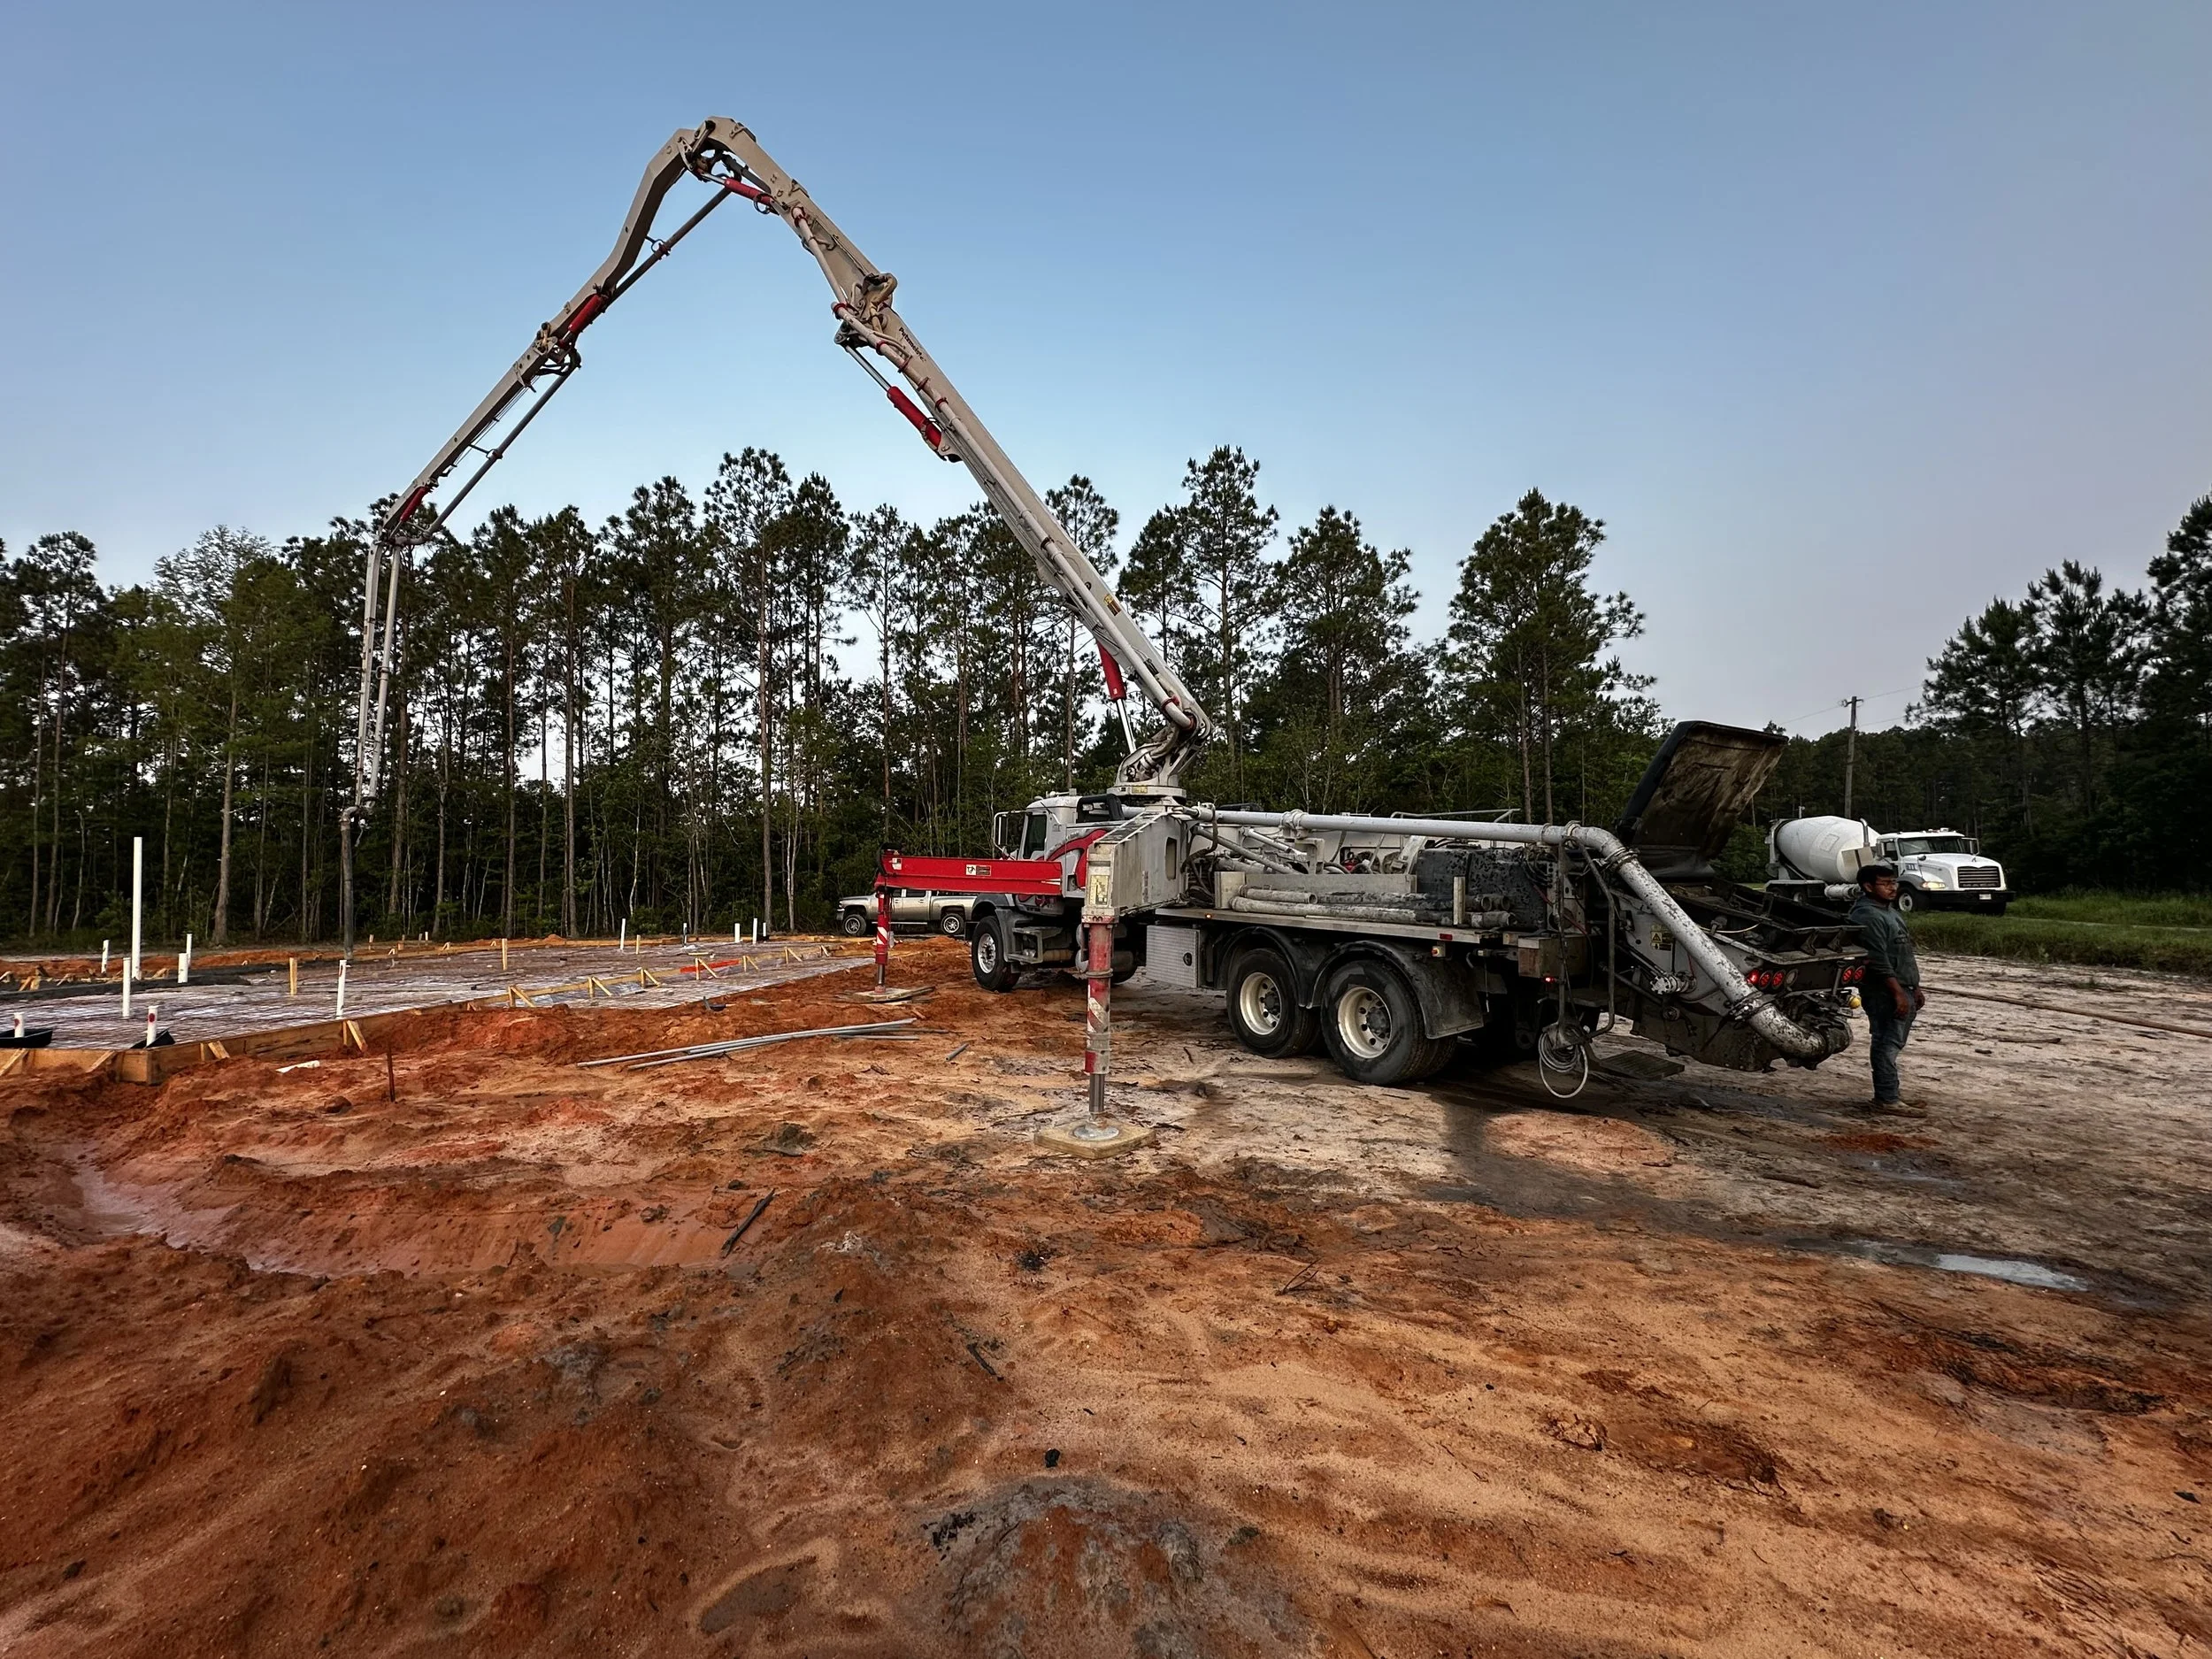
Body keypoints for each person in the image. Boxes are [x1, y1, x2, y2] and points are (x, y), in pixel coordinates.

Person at [1847, 862, 1925, 1112]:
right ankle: (1887, 1098)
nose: (1893, 888)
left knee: (1893, 1041)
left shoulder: (1888, 911)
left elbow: (1902, 953)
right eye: (1886, 883)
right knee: (1886, 1043)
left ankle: (1890, 1092)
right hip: (1883, 991)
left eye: (1894, 882)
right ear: (1868, 886)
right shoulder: (1867, 916)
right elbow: (1877, 960)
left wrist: (1915, 987)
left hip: (1904, 986)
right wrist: (1897, 992)